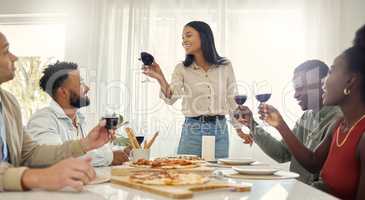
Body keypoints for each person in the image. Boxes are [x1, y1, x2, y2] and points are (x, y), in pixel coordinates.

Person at [256, 25, 365, 200]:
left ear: (350, 81)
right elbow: (310, 162)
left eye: (331, 71)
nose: (324, 82)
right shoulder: (337, 125)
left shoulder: (346, 124)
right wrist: (258, 126)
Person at [0, 32, 114, 191]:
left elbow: (30, 154)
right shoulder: (44, 118)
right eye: (6, 51)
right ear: (63, 92)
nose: (14, 57)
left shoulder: (9, 103)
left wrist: (85, 144)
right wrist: (37, 177)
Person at [143, 21, 245, 158]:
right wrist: (160, 77)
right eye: (183, 38)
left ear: (203, 37)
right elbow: (171, 98)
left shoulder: (225, 66)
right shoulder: (181, 68)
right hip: (192, 131)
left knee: (218, 173)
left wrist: (239, 128)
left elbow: (232, 98)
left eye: (188, 35)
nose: (184, 40)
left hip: (220, 129)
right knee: (187, 173)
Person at [237, 60, 342, 184]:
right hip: (297, 190)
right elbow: (281, 153)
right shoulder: (306, 117)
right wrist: (251, 124)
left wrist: (281, 125)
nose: (295, 95)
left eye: (300, 89)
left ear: (321, 85)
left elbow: (314, 165)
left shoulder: (339, 119)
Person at [26, 62, 129, 167]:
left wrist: (122, 151)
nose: (88, 88)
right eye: (80, 83)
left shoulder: (81, 119)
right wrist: (110, 157)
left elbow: (92, 150)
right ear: (63, 92)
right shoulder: (43, 120)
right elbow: (57, 158)